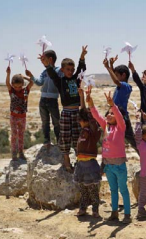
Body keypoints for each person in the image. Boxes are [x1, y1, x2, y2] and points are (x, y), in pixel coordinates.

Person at [88, 91, 132, 224]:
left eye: (112, 113)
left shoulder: (121, 127)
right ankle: (114, 213)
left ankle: (127, 215)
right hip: (108, 166)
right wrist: (90, 102)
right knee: (113, 190)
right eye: (108, 113)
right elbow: (96, 115)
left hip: (119, 165)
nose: (109, 115)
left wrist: (113, 106)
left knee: (123, 189)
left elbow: (119, 117)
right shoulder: (106, 126)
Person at [43, 45, 87, 173]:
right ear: (62, 69)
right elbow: (51, 73)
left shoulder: (76, 79)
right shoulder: (60, 81)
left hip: (77, 113)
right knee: (65, 136)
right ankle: (67, 163)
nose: (71, 71)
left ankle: (79, 162)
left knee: (78, 137)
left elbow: (81, 68)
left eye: (72, 69)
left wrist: (82, 56)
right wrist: (47, 65)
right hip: (66, 113)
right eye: (68, 69)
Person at [74, 89, 102, 217]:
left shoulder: (92, 132)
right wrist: (81, 96)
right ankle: (83, 208)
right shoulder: (82, 131)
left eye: (81, 120)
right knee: (83, 189)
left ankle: (95, 210)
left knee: (92, 189)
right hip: (81, 165)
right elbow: (83, 112)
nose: (79, 122)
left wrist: (88, 99)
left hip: (90, 164)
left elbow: (89, 116)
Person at [26, 50, 62, 147]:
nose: (42, 62)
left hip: (53, 100)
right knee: (45, 122)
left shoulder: (59, 71)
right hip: (43, 100)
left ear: (50, 59)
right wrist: (31, 76)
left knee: (56, 122)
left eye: (43, 59)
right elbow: (39, 82)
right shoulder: (44, 72)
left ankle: (59, 140)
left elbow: (58, 81)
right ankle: (47, 141)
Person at [104, 56, 137, 153]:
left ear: (123, 75)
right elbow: (116, 78)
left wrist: (107, 67)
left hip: (122, 118)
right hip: (114, 116)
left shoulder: (126, 86)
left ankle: (145, 160)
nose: (115, 77)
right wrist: (111, 65)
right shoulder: (121, 85)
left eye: (117, 75)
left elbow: (116, 81)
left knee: (132, 140)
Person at [6, 66, 34, 161]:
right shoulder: (12, 91)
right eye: (15, 86)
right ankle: (14, 153)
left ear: (22, 84)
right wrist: (8, 74)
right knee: (14, 135)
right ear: (13, 85)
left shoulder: (25, 90)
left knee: (21, 135)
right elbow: (7, 83)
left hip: (23, 117)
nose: (17, 88)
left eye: (19, 86)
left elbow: (32, 82)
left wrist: (24, 76)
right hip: (13, 117)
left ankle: (21, 152)